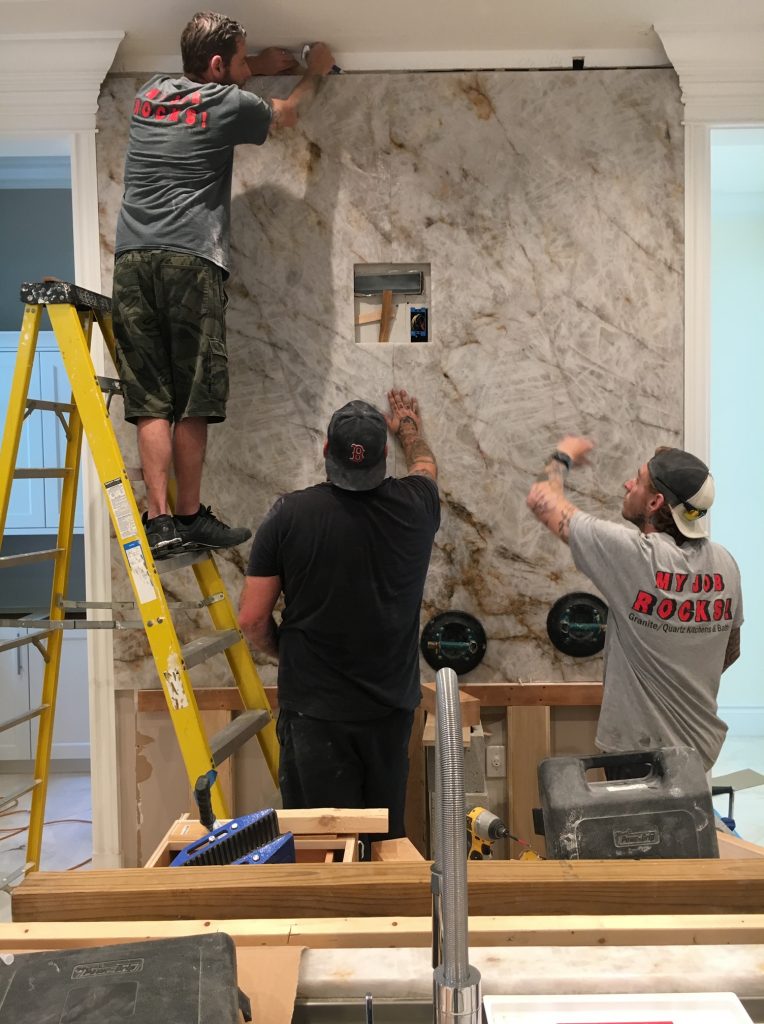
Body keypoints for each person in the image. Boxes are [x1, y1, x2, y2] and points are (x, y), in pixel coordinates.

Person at [112, 11, 335, 558]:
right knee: (192, 399)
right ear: (218, 65)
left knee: (151, 401)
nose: (246, 67)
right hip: (190, 262)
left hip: (132, 262)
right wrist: (316, 74)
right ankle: (188, 515)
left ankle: (159, 521)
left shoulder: (149, 92)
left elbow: (199, 83)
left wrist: (252, 64)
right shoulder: (229, 104)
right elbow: (285, 115)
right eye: (239, 59)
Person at [238, 388, 440, 851]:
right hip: (389, 712)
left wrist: (285, 649)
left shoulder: (290, 515)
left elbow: (251, 618)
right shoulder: (418, 505)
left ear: (326, 451)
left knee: (322, 848)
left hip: (315, 714)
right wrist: (409, 425)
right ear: (383, 456)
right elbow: (426, 466)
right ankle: (382, 922)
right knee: (384, 842)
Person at [527, 438, 743, 777]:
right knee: (681, 829)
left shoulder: (635, 555)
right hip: (698, 754)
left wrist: (563, 453)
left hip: (635, 756)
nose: (628, 484)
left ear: (656, 502)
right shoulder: (725, 564)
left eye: (637, 480)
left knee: (637, 832)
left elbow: (541, 500)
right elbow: (730, 650)